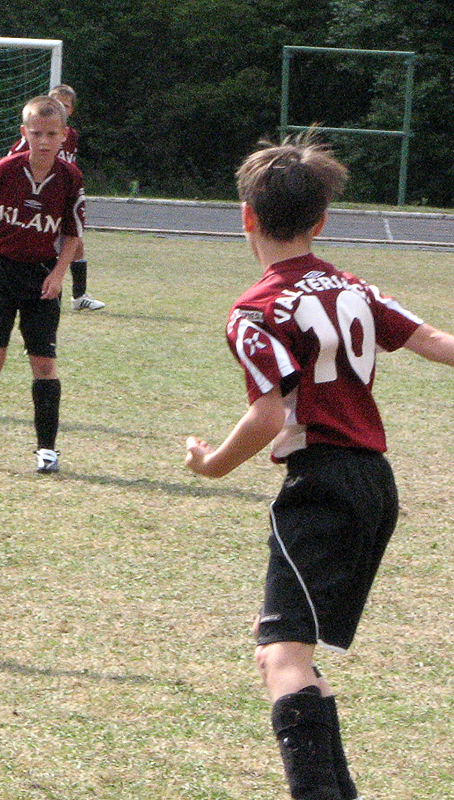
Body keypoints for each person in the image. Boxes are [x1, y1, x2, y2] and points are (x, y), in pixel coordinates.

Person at [184, 135, 454, 800]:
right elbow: (429, 339)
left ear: (246, 217)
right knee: (284, 650)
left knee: (282, 656)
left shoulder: (255, 310)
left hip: (322, 486)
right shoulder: (352, 288)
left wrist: (211, 465)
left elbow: (267, 416)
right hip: (373, 485)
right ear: (322, 220)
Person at [0, 96, 87, 475]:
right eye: (36, 134)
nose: (43, 141)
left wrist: (58, 273)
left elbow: (73, 233)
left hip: (42, 275)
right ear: (24, 133)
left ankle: (47, 449)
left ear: (64, 136)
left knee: (43, 362)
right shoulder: (4, 169)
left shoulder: (70, 178)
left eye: (51, 134)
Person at [7, 84, 102, 312]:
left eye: (65, 105)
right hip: (36, 198)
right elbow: (12, 162)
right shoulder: (33, 137)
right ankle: (29, 288)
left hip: (59, 195)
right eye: (56, 102)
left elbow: (69, 164)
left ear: (71, 111)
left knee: (76, 242)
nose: (60, 107)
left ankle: (79, 296)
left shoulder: (71, 136)